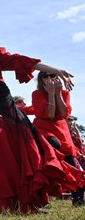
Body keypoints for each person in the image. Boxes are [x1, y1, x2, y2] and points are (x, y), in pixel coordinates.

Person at [0, 18, 73, 213]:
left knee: (25, 150)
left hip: (7, 104)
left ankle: (26, 202)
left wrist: (56, 70)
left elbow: (21, 60)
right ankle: (1, 205)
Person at [31, 72, 84, 206]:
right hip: (44, 128)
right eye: (45, 76)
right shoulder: (36, 94)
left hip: (61, 129)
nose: (50, 79)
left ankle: (78, 198)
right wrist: (50, 94)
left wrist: (58, 93)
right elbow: (49, 114)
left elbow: (64, 114)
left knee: (71, 161)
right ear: (40, 80)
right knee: (53, 146)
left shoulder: (65, 93)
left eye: (53, 76)